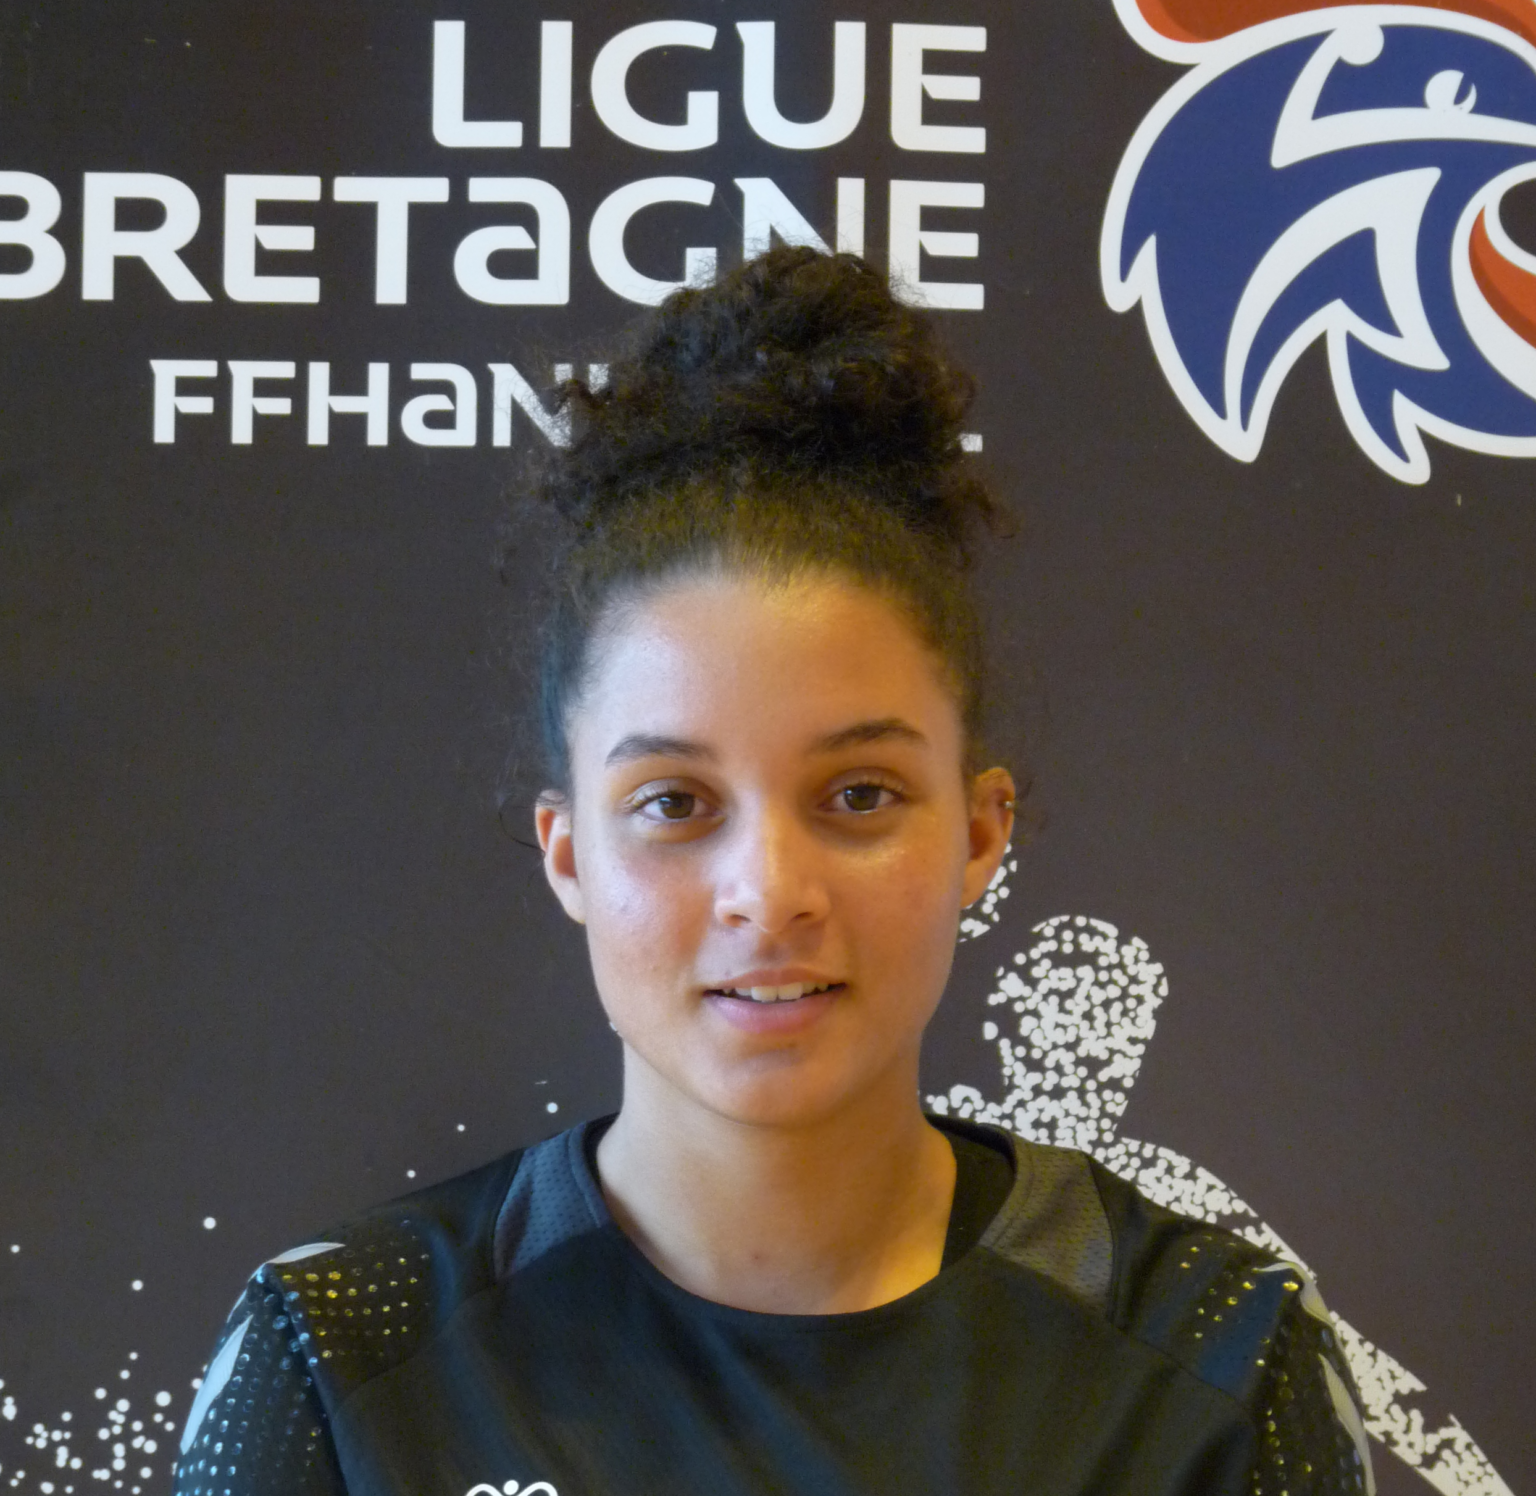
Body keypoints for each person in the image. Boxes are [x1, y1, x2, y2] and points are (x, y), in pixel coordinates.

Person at [173, 248, 1373, 1496]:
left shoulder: (1218, 1353)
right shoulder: (343, 1357)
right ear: (569, 853)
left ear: (979, 835)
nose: (769, 890)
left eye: (859, 795)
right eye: (674, 803)